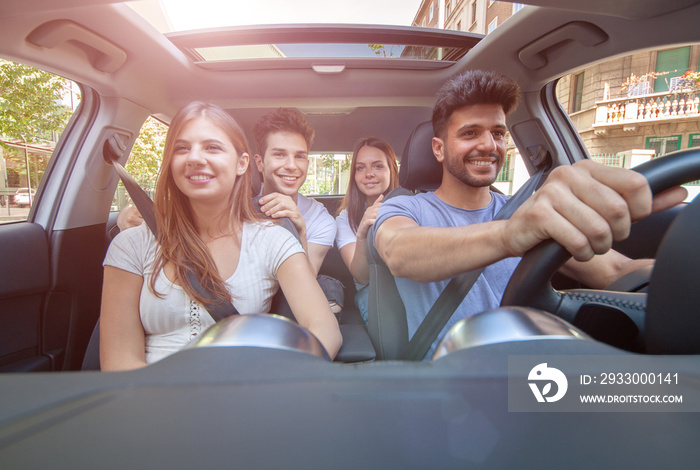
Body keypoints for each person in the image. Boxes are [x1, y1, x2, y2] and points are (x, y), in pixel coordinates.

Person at [374, 70, 687, 358]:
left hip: (534, 371)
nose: (488, 145)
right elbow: (399, 251)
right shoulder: (405, 206)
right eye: (470, 133)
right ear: (439, 149)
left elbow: (618, 270)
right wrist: (509, 235)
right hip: (453, 381)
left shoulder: (532, 213)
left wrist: (686, 275)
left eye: (498, 133)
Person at [101, 102, 342, 370]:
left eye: (212, 147)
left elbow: (324, 329)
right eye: (181, 148)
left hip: (243, 393)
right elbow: (118, 363)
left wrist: (274, 383)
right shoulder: (131, 244)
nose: (194, 158)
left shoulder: (273, 238)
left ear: (242, 164)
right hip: (151, 399)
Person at [253, 108, 336, 276]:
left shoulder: (321, 220)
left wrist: (300, 232)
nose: (292, 166)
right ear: (260, 163)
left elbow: (307, 286)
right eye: (280, 154)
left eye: (299, 156)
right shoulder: (238, 206)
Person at [335, 137, 399, 322]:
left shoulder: (414, 206)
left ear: (391, 170)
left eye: (378, 166)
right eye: (360, 168)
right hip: (374, 292)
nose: (368, 173)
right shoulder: (345, 219)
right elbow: (362, 277)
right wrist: (362, 233)